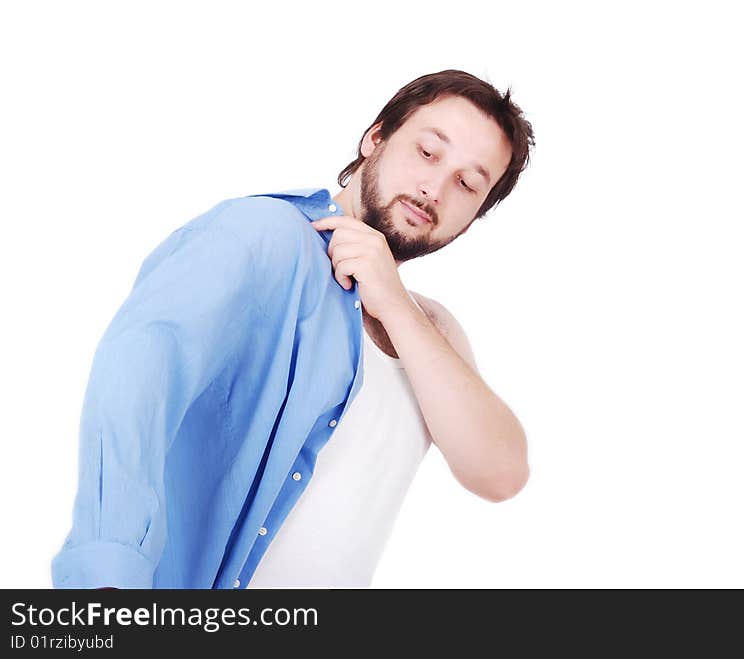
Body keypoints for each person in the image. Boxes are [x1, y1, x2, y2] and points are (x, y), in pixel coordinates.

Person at [51, 69, 536, 589]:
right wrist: (108, 577)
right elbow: (138, 371)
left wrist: (394, 303)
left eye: (467, 183)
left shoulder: (431, 328)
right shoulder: (265, 236)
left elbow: (499, 474)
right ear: (376, 139)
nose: (434, 188)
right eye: (427, 152)